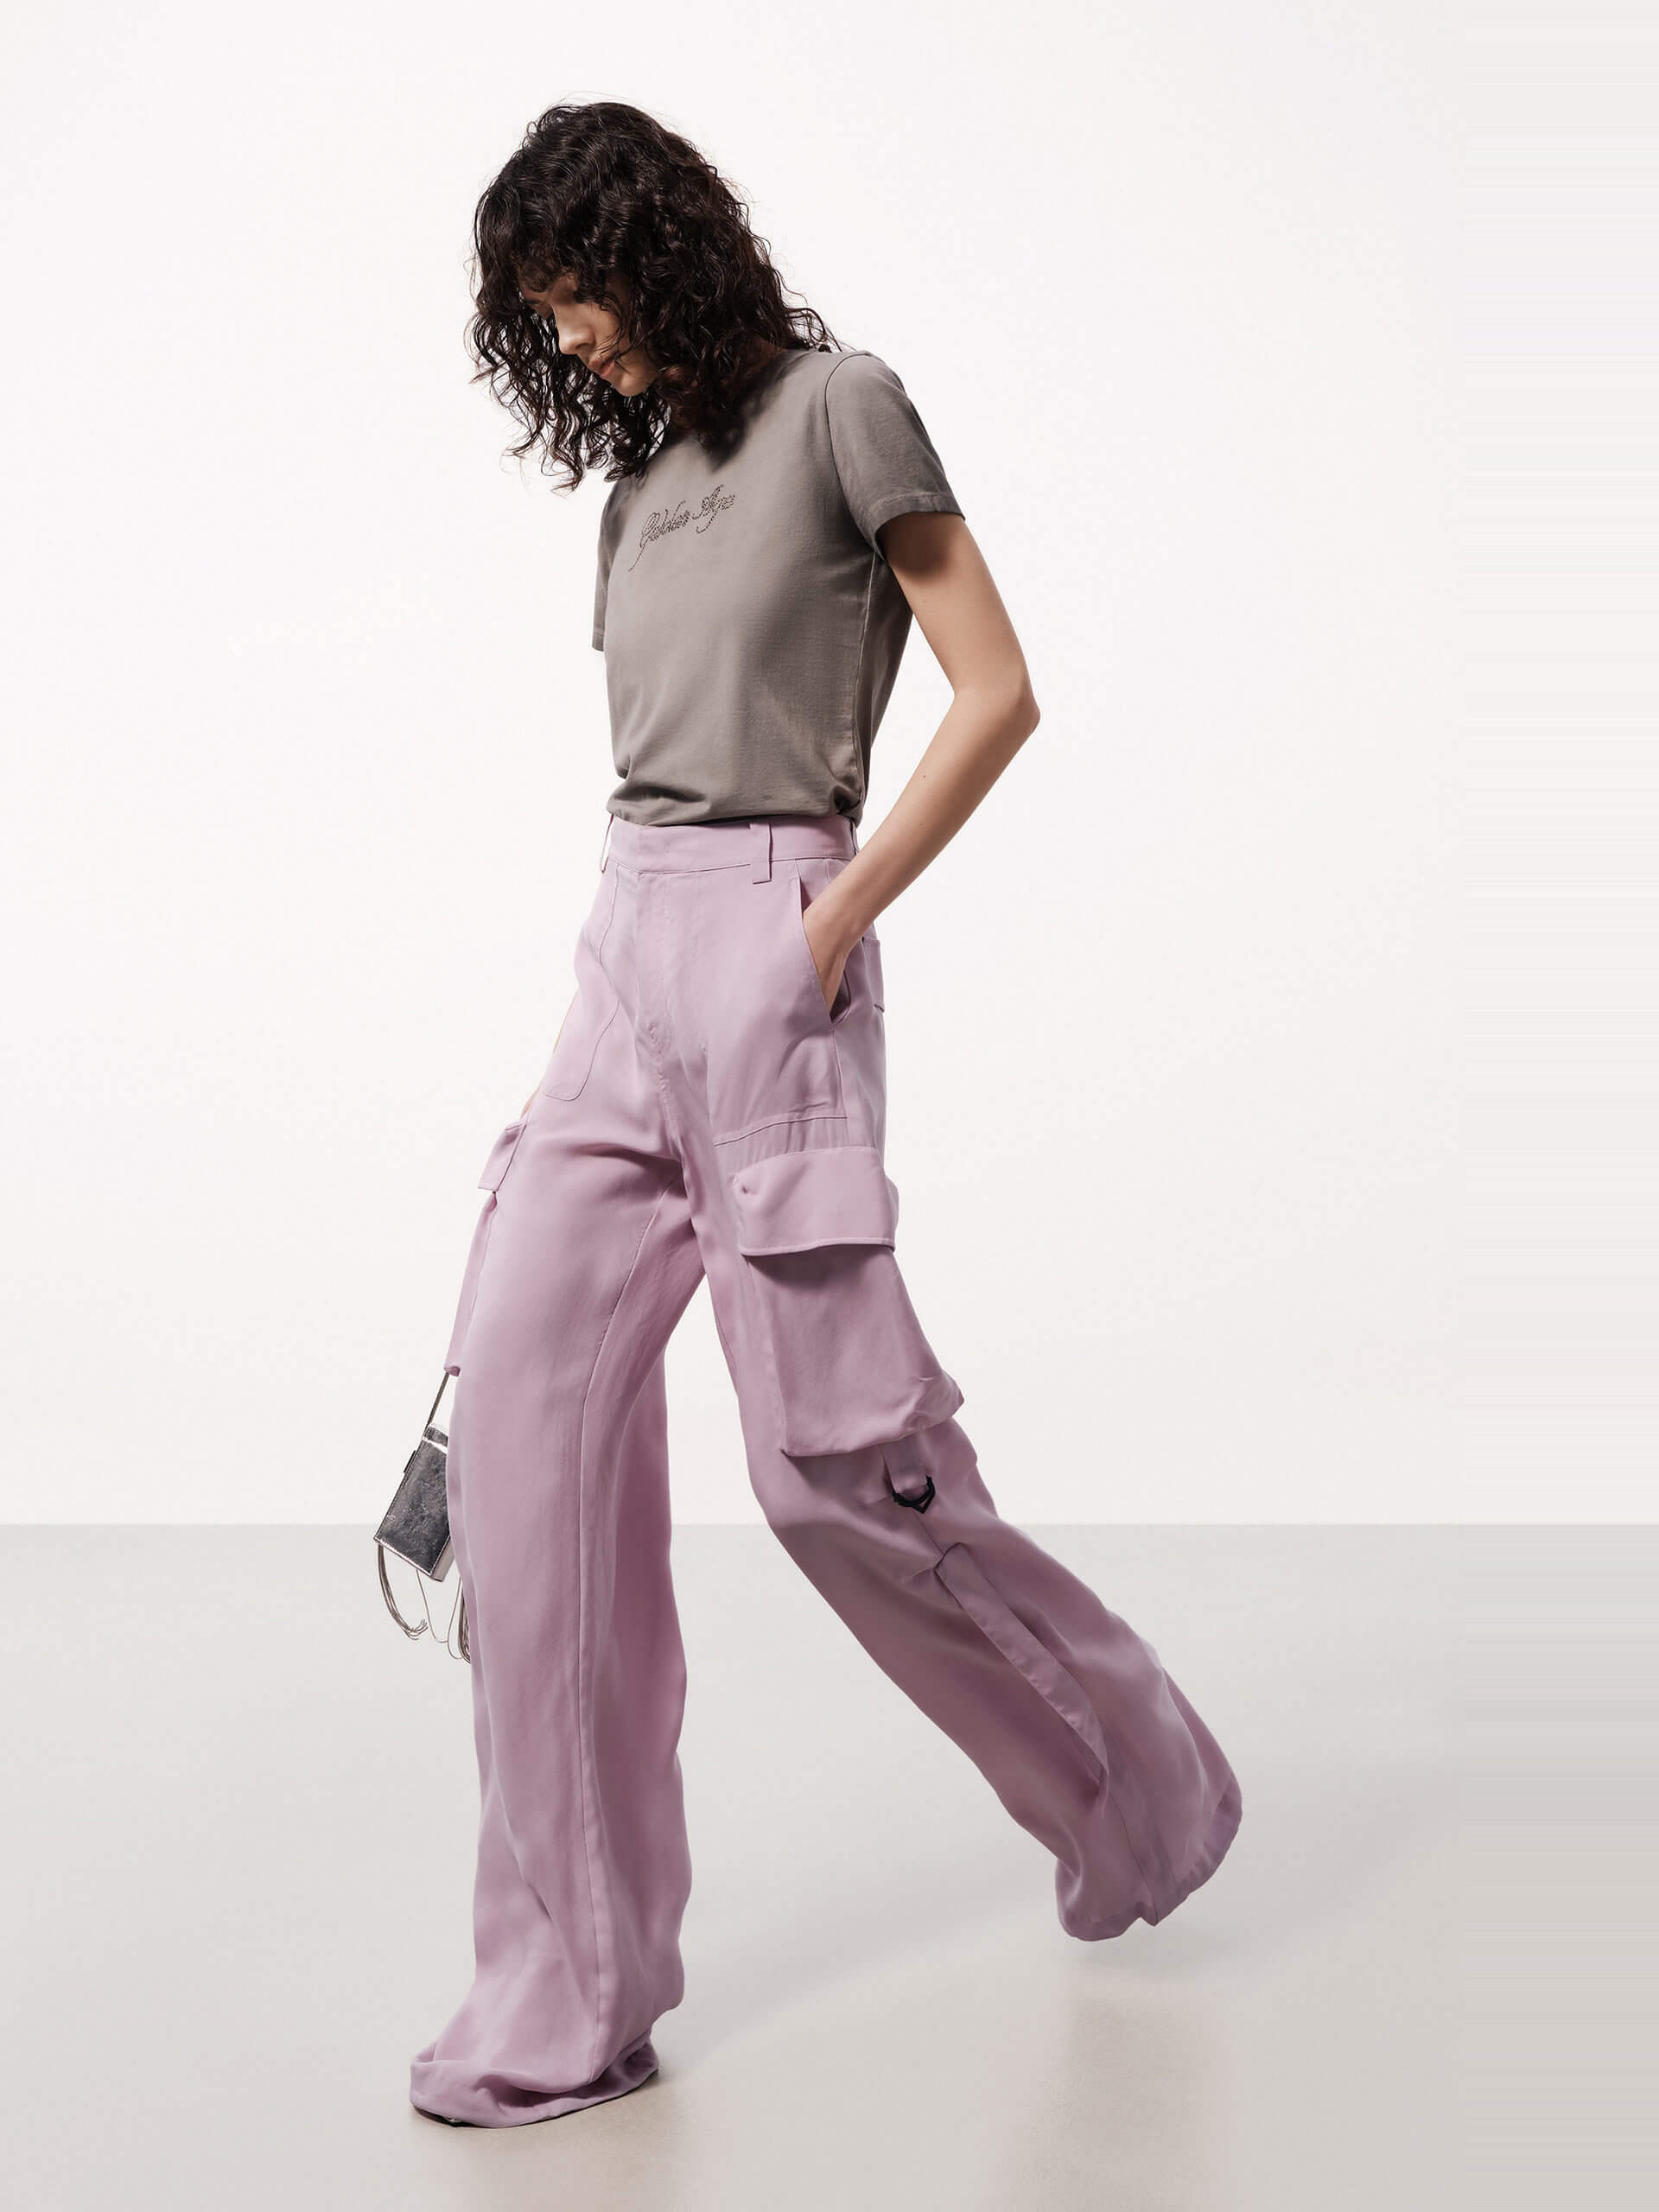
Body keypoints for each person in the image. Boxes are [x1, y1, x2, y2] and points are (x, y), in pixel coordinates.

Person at [409, 99, 1243, 2129]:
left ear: (655, 244)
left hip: (780, 945)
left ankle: (1141, 1783)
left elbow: (995, 684)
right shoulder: (638, 490)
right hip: (621, 956)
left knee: (831, 1472)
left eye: (579, 292)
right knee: (516, 1443)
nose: (570, 336)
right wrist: (637, 986)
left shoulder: (840, 407)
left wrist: (830, 924)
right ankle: (569, 1994)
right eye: (542, 313)